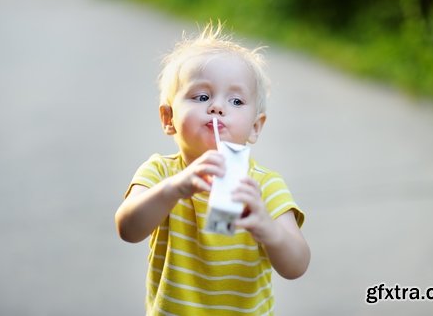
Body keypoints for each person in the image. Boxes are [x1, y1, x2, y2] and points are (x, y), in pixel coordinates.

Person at [115, 22, 310, 315]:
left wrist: (268, 228)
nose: (217, 108)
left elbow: (297, 265)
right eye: (202, 97)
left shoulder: (264, 186)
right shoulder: (160, 173)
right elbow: (128, 229)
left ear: (255, 127)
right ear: (168, 118)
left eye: (236, 100)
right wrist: (175, 188)